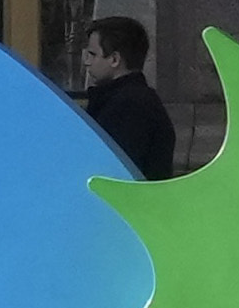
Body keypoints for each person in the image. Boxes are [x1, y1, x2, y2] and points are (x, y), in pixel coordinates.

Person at [75, 14, 175, 182]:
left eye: (92, 54)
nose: (87, 62)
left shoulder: (130, 106)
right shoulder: (131, 99)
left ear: (114, 59)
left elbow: (110, 171)